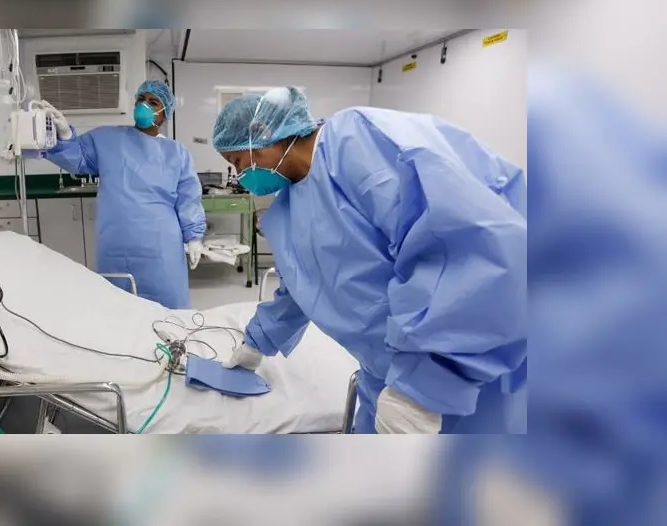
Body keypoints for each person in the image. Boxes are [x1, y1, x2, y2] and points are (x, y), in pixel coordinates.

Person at [213, 87, 527, 434]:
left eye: (237, 162)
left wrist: (422, 389)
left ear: (261, 135)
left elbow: (462, 256)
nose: (240, 176)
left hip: (458, 376)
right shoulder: (290, 203)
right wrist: (256, 343)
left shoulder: (359, 142)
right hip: (385, 372)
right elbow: (302, 285)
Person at [43, 80, 206, 309]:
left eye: (153, 102)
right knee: (118, 305)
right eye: (141, 99)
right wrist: (66, 135)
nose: (144, 105)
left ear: (164, 114)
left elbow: (189, 196)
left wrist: (194, 237)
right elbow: (78, 159)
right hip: (117, 242)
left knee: (166, 308)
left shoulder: (177, 153)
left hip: (160, 244)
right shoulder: (107, 139)